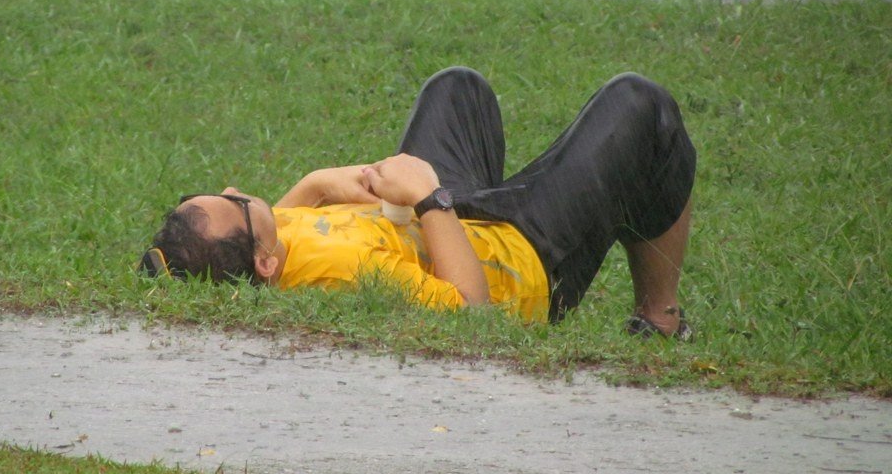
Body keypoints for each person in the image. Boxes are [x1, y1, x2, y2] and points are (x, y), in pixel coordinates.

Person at [140, 66, 697, 339]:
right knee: (640, 106)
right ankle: (659, 319)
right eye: (236, 204)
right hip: (518, 260)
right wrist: (431, 201)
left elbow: (273, 229)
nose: (237, 190)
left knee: (457, 88)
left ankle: (472, 195)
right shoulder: (344, 275)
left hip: (456, 218)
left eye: (214, 192)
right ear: (263, 262)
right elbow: (471, 313)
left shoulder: (265, 257)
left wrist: (315, 186)